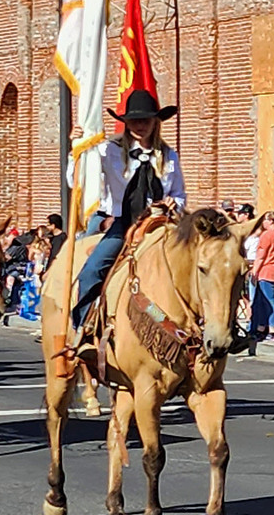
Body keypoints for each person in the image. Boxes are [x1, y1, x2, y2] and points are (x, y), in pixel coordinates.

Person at [67, 88, 186, 336]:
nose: (140, 125)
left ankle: (200, 329)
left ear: (156, 122)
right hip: (124, 223)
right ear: (126, 122)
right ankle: (84, 328)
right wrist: (77, 150)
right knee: (92, 271)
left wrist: (175, 203)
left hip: (160, 224)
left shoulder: (169, 156)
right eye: (134, 120)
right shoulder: (107, 150)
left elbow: (179, 194)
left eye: (146, 120)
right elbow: (76, 181)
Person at [247, 211, 274, 345]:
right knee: (263, 301)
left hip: (267, 271)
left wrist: (254, 271)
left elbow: (261, 256)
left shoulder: (267, 235)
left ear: (271, 221)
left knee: (269, 301)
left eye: (265, 220)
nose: (263, 222)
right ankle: (261, 327)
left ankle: (273, 330)